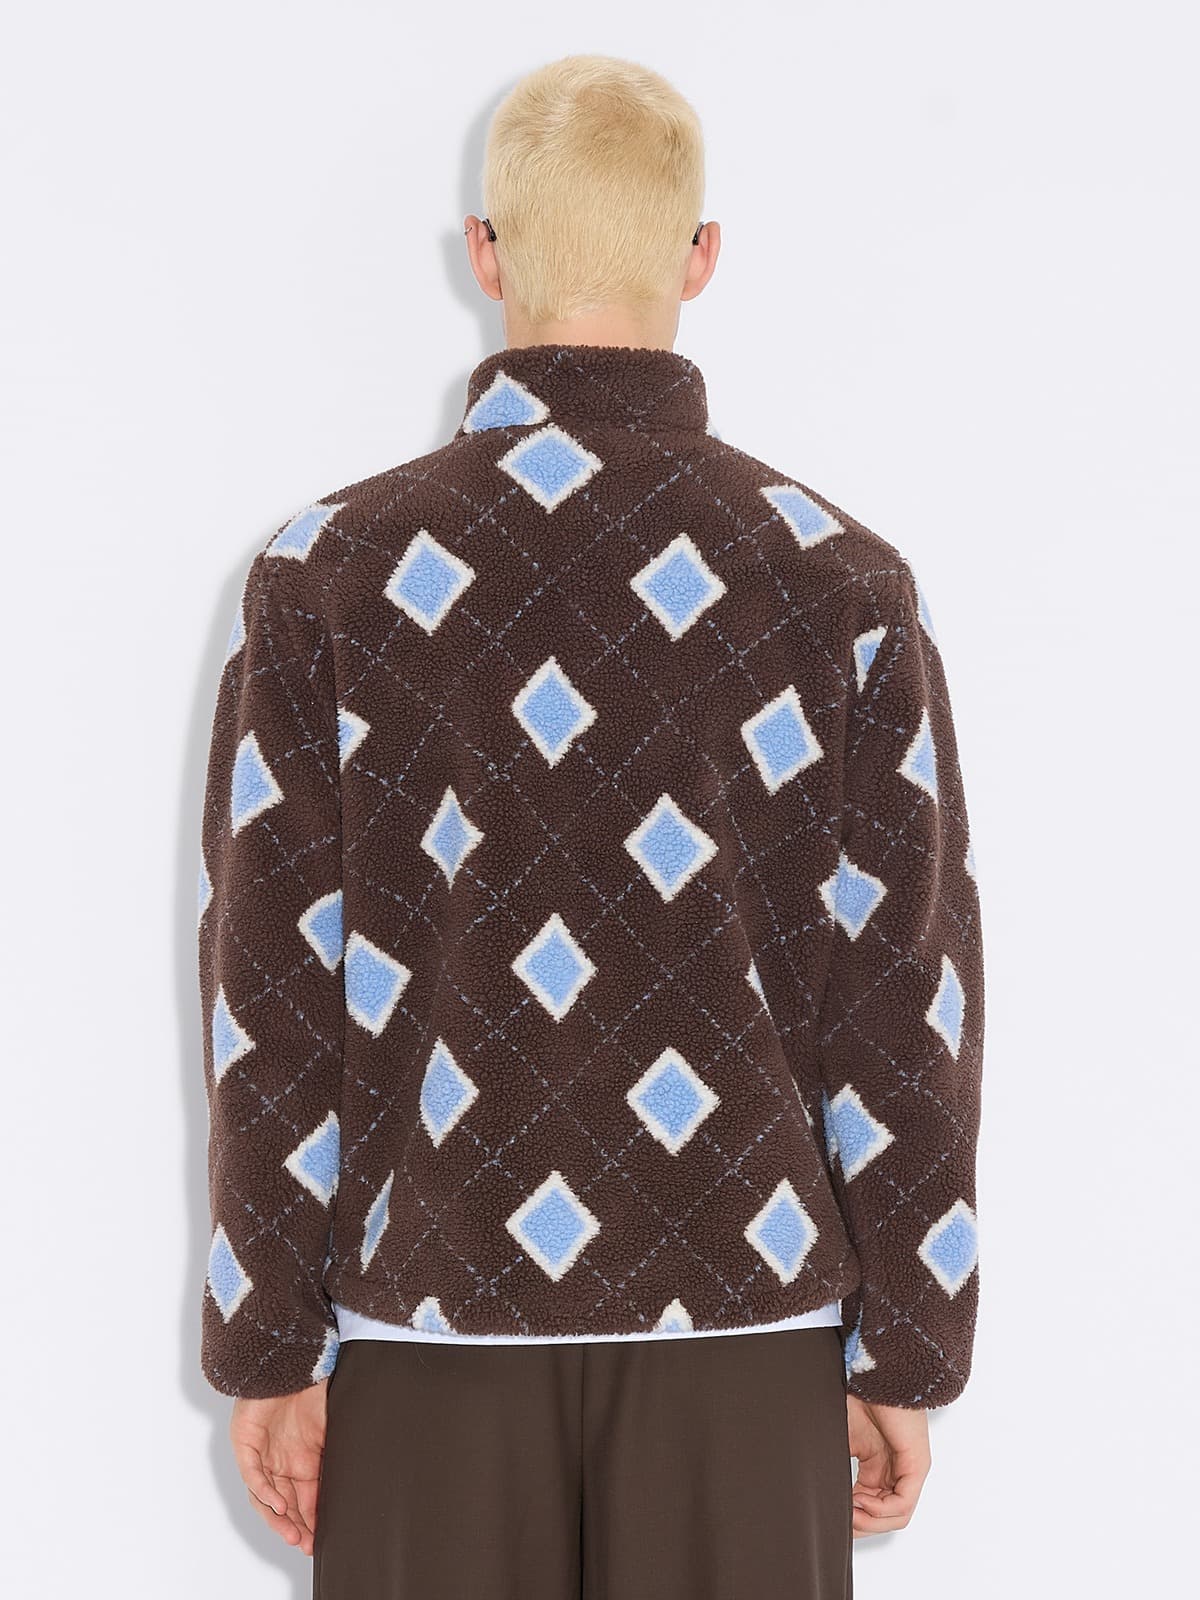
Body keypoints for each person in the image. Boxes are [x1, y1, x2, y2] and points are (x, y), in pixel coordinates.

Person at [195, 51, 985, 1599]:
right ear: (701, 256)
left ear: (486, 254)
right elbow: (904, 995)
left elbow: (270, 988)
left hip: (429, 1322)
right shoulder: (837, 581)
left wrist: (269, 1335)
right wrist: (908, 1342)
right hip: (747, 1327)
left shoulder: (328, 573)